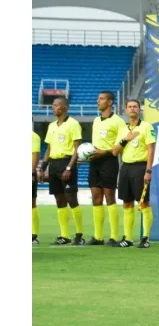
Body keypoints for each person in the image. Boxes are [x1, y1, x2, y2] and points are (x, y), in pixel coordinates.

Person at [38, 97, 85, 245]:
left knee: (71, 199)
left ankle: (79, 235)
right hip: (54, 164)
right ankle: (65, 236)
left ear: (64, 107)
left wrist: (69, 168)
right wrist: (43, 167)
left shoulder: (73, 124)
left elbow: (78, 149)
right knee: (59, 200)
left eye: (56, 105)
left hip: (67, 163)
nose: (53, 108)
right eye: (53, 106)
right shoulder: (52, 126)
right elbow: (49, 148)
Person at [111, 99, 156, 248]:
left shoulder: (146, 127)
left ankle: (145, 238)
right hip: (125, 167)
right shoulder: (123, 129)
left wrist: (148, 170)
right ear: (126, 110)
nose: (132, 109)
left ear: (140, 110)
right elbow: (115, 151)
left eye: (135, 107)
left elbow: (151, 150)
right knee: (126, 203)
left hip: (140, 167)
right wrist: (126, 139)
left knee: (143, 202)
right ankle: (128, 238)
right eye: (129, 107)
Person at [86, 91, 127, 246]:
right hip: (95, 161)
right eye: (98, 98)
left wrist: (104, 152)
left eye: (101, 99)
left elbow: (120, 146)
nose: (98, 101)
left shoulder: (118, 122)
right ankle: (97, 237)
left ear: (110, 102)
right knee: (96, 198)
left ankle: (114, 236)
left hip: (109, 161)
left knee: (109, 197)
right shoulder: (96, 120)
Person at [32, 130, 41, 244]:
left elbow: (35, 155)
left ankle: (33, 235)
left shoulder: (33, 136)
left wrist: (32, 173)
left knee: (31, 203)